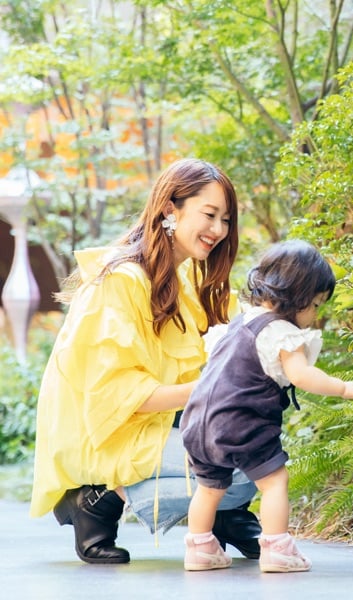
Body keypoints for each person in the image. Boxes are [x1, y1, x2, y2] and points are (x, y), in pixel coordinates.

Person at [30, 158, 261, 564]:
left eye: (226, 219)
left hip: (147, 427)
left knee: (258, 444)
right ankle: (95, 498)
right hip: (105, 437)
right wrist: (212, 389)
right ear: (170, 209)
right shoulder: (121, 281)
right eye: (209, 214)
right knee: (243, 471)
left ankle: (222, 512)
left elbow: (237, 341)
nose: (219, 229)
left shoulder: (184, 279)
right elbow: (118, 397)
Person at [180, 240, 353, 573]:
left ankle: (200, 549)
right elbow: (301, 375)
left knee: (208, 489)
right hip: (241, 422)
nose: (315, 315)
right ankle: (277, 548)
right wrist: (342, 387)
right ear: (297, 294)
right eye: (315, 305)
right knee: (275, 482)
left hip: (197, 423)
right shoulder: (279, 332)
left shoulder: (239, 323)